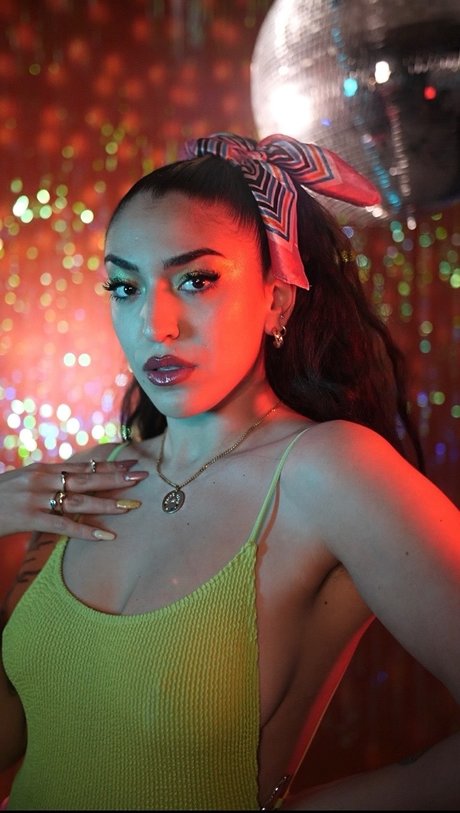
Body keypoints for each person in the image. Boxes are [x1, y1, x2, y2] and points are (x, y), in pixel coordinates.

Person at [0, 132, 459, 811]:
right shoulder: (80, 479)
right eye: (125, 286)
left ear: (278, 298)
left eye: (196, 280)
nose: (155, 324)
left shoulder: (329, 471)